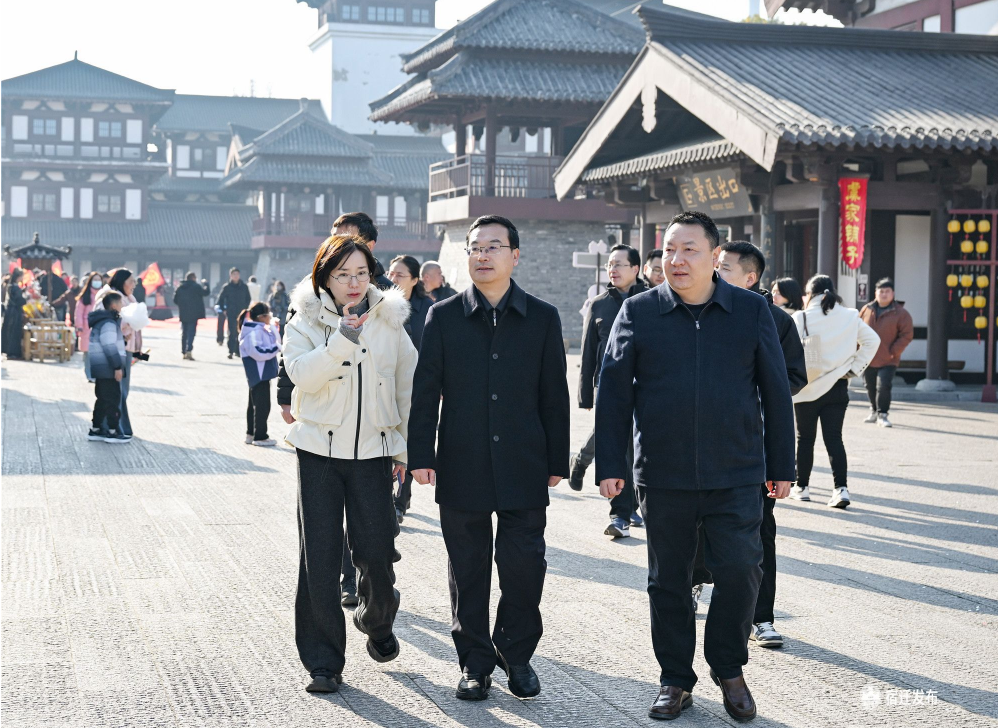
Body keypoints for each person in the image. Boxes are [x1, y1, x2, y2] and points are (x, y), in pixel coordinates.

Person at [596, 211, 795, 722]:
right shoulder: (640, 311)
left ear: (714, 256)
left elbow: (776, 391)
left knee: (741, 571)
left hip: (738, 470)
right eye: (669, 250)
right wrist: (611, 465)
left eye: (689, 250)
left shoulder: (750, 311)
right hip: (664, 473)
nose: (676, 260)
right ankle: (675, 679)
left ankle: (728, 667)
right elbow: (613, 392)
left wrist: (782, 464)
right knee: (668, 580)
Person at [409, 215, 570, 702]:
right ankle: (475, 664)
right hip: (463, 461)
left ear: (514, 256)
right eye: (475, 247)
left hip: (524, 462)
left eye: (494, 246)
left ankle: (516, 655)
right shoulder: (444, 316)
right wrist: (421, 454)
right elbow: (425, 392)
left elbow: (554, 395)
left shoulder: (542, 317)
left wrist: (556, 460)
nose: (482, 255)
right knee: (468, 570)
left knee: (525, 568)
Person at [283, 234, 417, 693]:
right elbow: (301, 376)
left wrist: (404, 451)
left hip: (373, 454)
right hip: (318, 452)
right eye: (343, 274)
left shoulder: (389, 319)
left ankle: (377, 620)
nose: (354, 283)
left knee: (377, 553)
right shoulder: (304, 318)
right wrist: (342, 340)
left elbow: (406, 386)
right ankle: (323, 661)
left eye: (361, 272)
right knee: (319, 558)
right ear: (325, 277)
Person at [702, 241, 807, 650]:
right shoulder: (696, 310)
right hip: (700, 443)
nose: (716, 272)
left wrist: (750, 394)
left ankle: (761, 617)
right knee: (693, 524)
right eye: (715, 265)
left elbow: (792, 377)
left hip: (752, 446)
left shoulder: (777, 320)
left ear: (750, 277)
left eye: (724, 267)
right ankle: (695, 581)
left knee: (760, 533)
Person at [573, 244, 647, 537]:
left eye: (619, 264)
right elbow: (588, 350)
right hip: (609, 387)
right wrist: (586, 395)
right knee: (617, 447)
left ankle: (635, 505)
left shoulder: (651, 300)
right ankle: (619, 515)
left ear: (635, 269)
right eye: (609, 265)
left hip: (646, 386)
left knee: (640, 448)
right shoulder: (599, 304)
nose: (612, 270)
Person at [791, 275, 880, 508]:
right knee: (834, 439)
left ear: (810, 294)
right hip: (838, 385)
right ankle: (841, 489)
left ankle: (802, 487)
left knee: (804, 439)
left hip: (806, 386)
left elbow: (789, 349)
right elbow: (872, 340)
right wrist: (854, 368)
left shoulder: (800, 317)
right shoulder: (850, 316)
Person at [387, 255, 434, 524]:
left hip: (416, 387)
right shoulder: (380, 304)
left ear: (415, 280)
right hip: (385, 384)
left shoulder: (428, 309)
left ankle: (400, 499)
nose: (393, 279)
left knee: (407, 441)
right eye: (391, 273)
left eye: (400, 275)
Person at [94, 269, 144, 438]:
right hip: (113, 349)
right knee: (115, 391)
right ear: (121, 281)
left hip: (126, 348)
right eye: (131, 281)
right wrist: (123, 330)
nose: (134, 284)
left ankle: (107, 426)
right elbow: (103, 321)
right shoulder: (109, 297)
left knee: (121, 390)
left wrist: (137, 348)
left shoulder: (129, 299)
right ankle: (114, 428)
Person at [859, 278, 913, 428]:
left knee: (883, 386)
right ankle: (873, 410)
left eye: (887, 291)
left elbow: (906, 334)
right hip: (868, 356)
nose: (884, 294)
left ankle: (883, 414)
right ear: (875, 293)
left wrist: (894, 351)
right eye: (881, 291)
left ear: (893, 293)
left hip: (889, 358)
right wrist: (857, 350)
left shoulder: (900, 313)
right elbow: (857, 329)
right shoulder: (867, 309)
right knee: (869, 385)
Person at [86, 292, 131, 443]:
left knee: (102, 399)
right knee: (113, 399)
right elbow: (109, 345)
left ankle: (96, 429)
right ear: (113, 305)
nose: (122, 305)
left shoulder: (102, 321)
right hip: (108, 368)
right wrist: (117, 366)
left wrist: (122, 340)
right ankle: (113, 431)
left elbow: (107, 342)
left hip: (100, 367)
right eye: (120, 303)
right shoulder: (109, 323)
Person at [238, 301, 282, 447]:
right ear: (261, 316)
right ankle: (260, 436)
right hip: (259, 372)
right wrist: (277, 348)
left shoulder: (259, 329)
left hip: (261, 373)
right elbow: (257, 351)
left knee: (255, 405)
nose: (270, 317)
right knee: (262, 406)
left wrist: (274, 330)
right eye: (268, 314)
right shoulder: (254, 331)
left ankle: (251, 434)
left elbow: (271, 342)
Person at [331, 212, 391, 290]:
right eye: (334, 239)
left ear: (369, 246)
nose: (337, 245)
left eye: (347, 240)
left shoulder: (388, 292)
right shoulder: (319, 281)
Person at [215, 268, 252, 359]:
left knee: (240, 331)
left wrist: (245, 308)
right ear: (230, 276)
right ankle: (230, 351)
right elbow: (220, 299)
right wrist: (224, 309)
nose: (236, 276)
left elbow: (248, 298)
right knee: (231, 331)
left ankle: (238, 351)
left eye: (237, 274)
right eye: (234, 274)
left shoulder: (244, 287)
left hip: (241, 312)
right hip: (231, 312)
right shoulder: (227, 287)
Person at [174, 272, 210, 360]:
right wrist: (206, 284)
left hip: (183, 313)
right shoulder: (196, 287)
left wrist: (182, 305)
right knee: (191, 333)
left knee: (184, 333)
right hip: (194, 313)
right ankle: (189, 350)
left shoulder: (180, 287)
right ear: (193, 278)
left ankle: (183, 351)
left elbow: (175, 300)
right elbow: (206, 293)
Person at [75, 272, 103, 377]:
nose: (97, 282)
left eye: (99, 280)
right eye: (95, 280)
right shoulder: (85, 296)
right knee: (88, 353)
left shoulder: (105, 295)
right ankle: (89, 374)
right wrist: (79, 326)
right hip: (87, 327)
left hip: (101, 327)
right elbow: (79, 312)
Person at [1, 269, 26, 360]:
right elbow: (19, 300)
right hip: (14, 312)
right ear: (18, 277)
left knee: (10, 332)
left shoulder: (11, 286)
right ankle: (13, 352)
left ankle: (9, 351)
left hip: (10, 311)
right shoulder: (14, 287)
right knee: (14, 333)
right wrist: (26, 298)